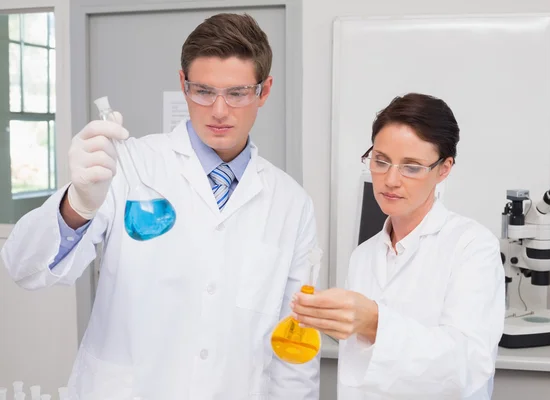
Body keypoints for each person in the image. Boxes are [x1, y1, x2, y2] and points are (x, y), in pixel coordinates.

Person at [1, 13, 320, 400]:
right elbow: (24, 269)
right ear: (183, 85)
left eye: (237, 93)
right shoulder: (128, 166)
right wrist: (78, 205)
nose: (220, 111)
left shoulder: (291, 203)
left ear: (264, 91)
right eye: (204, 91)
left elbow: (295, 340)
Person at [292, 93, 505, 399]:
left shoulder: (472, 248)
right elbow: (355, 378)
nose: (390, 180)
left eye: (412, 167)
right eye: (381, 161)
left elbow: (469, 369)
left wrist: (376, 323)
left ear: (444, 169)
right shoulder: (363, 256)